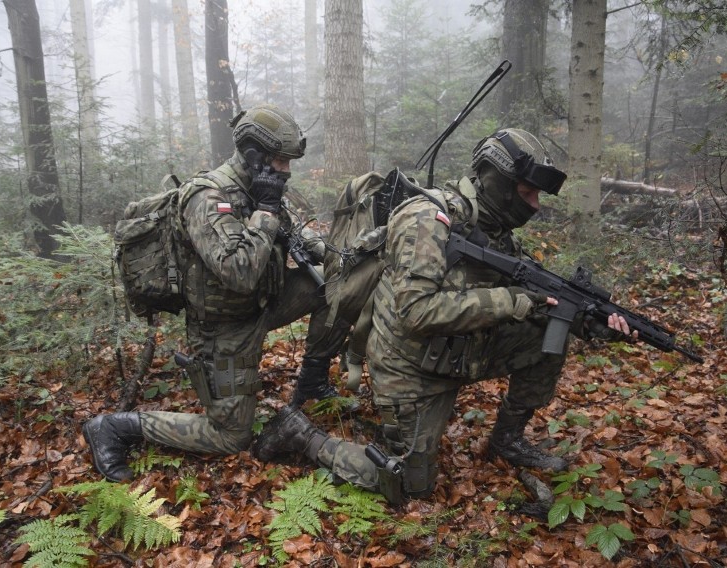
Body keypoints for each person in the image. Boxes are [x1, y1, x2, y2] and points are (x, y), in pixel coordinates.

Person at [253, 128, 634, 502]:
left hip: (454, 349)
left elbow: (540, 297)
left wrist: (592, 322)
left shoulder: (494, 227)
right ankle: (300, 434)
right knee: (407, 484)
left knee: (549, 331)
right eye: (526, 192)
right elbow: (417, 311)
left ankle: (506, 440)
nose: (534, 205)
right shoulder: (426, 218)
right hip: (409, 364)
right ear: (496, 181)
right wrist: (513, 301)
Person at [83, 103, 349, 482]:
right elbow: (238, 272)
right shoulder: (207, 197)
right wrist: (266, 213)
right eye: (281, 160)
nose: (287, 170)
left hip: (264, 303)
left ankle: (312, 379)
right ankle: (114, 427)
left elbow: (294, 236)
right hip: (224, 330)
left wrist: (339, 255)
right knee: (230, 436)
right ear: (255, 155)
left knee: (338, 282)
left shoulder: (260, 186)